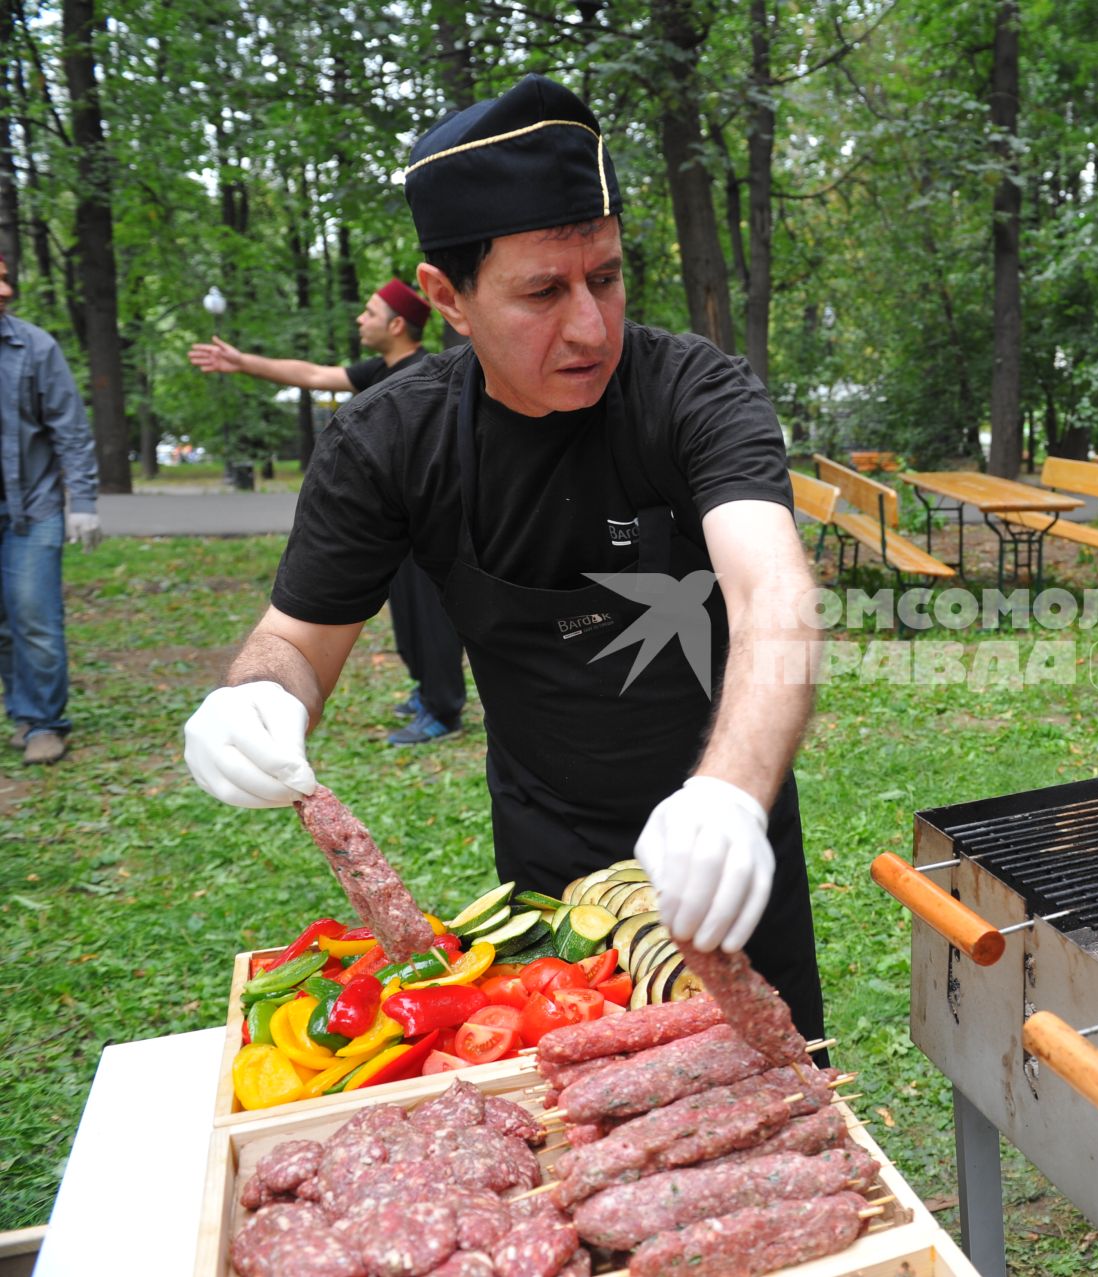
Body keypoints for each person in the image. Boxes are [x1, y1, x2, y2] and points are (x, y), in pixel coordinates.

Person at [180, 75, 826, 1038]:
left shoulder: (693, 390)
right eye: (542, 291)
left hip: (729, 834)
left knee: (789, 1105)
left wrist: (729, 794)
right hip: (550, 842)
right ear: (447, 297)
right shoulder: (392, 440)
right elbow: (295, 639)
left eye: (605, 277)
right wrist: (259, 693)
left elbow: (773, 589)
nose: (591, 326)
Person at [190, 279, 468, 746]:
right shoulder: (382, 369)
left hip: (432, 528)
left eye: (370, 312)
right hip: (395, 524)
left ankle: (444, 710)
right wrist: (242, 363)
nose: (361, 319)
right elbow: (315, 375)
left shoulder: (429, 372)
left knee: (432, 622)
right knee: (407, 622)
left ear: (397, 324)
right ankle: (426, 690)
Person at [0, 250, 101, 764]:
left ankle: (45, 723)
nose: (5, 291)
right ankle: (23, 710)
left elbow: (71, 431)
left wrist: (81, 502)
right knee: (2, 623)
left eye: (5, 279)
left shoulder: (34, 347)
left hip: (31, 509)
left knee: (34, 615)